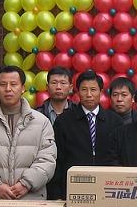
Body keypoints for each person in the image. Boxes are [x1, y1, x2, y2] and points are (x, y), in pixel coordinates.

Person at [0, 65, 56, 200]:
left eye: (13, 84)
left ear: (23, 88)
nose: (8, 89)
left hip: (31, 200)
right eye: (3, 84)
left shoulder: (42, 122)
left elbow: (47, 159)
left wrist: (26, 184)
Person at [49, 70, 124, 199]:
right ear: (77, 92)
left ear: (101, 92)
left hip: (107, 189)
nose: (89, 94)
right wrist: (56, 194)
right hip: (73, 188)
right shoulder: (64, 121)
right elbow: (57, 159)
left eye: (93, 89)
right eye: (84, 89)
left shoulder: (115, 121)